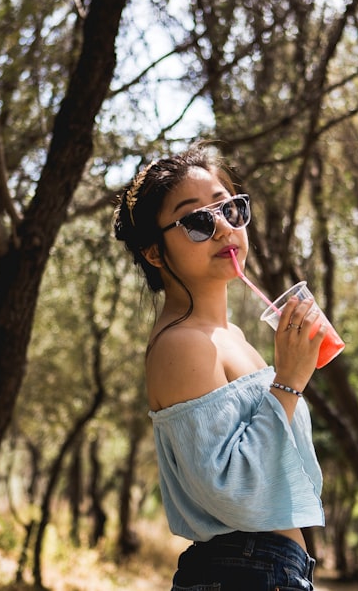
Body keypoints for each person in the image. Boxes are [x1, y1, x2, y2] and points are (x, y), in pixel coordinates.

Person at [114, 145, 326, 591]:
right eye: (197, 221)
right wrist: (288, 381)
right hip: (242, 571)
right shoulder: (182, 345)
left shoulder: (234, 338)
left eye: (231, 208)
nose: (224, 227)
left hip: (269, 570)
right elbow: (230, 489)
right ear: (155, 253)